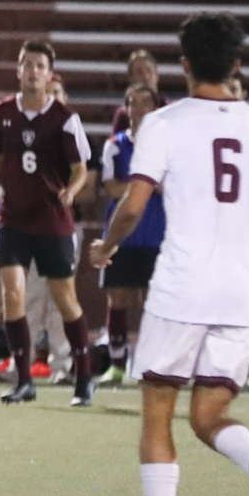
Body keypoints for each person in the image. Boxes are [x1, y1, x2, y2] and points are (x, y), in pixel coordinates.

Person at [88, 12, 249, 496]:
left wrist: (107, 245)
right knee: (209, 416)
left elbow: (133, 206)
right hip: (238, 291)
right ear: (236, 64)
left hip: (182, 287)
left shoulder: (163, 123)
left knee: (158, 412)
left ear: (183, 65)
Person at [0, 40, 94, 405]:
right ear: (19, 69)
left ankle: (83, 375)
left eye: (40, 66)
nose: (33, 71)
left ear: (49, 73)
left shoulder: (64, 118)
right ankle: (24, 378)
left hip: (52, 219)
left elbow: (80, 169)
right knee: (13, 295)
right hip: (13, 218)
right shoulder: (0, 113)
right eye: (28, 64)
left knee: (65, 299)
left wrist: (71, 191)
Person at [95, 83, 166, 387]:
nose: (138, 109)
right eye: (133, 103)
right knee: (118, 298)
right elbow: (109, 188)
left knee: (155, 303)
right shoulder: (115, 145)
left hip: (158, 233)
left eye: (145, 103)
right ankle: (117, 365)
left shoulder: (167, 145)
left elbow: (172, 185)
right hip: (123, 234)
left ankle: (151, 364)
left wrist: (135, 186)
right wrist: (147, 186)